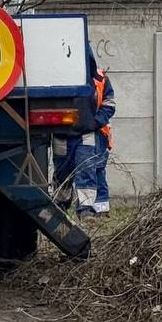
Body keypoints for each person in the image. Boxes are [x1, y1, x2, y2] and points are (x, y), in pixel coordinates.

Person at [57, 54, 116, 218]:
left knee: (87, 169)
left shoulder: (100, 77)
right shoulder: (57, 73)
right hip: (62, 134)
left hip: (87, 133)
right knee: (62, 171)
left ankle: (86, 209)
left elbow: (109, 104)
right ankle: (61, 206)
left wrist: (94, 123)